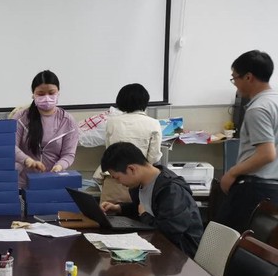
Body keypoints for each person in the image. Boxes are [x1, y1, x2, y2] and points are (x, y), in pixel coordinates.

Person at [100, 142, 203, 257]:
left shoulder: (171, 190)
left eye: (118, 178)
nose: (119, 182)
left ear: (131, 169)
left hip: (179, 254)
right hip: (155, 247)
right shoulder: (139, 185)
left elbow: (168, 232)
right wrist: (119, 208)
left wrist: (144, 215)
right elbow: (144, 208)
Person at [217, 50, 278, 232]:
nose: (235, 84)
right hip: (273, 189)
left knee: (222, 239)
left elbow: (266, 154)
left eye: (235, 78)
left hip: (256, 188)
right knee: (259, 244)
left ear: (248, 77)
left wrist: (232, 173)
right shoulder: (274, 102)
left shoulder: (258, 109)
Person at [96, 83, 163, 203]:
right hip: (140, 181)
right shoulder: (153, 123)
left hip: (115, 178)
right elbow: (154, 157)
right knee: (140, 212)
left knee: (108, 212)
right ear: (145, 101)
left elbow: (110, 152)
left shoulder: (112, 122)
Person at [13, 70, 78, 188]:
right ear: (33, 94)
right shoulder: (21, 117)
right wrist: (28, 161)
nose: (47, 97)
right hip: (23, 182)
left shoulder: (67, 121)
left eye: (51, 93)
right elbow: (11, 146)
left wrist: (59, 166)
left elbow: (68, 154)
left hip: (53, 180)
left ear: (58, 93)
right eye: (41, 94)